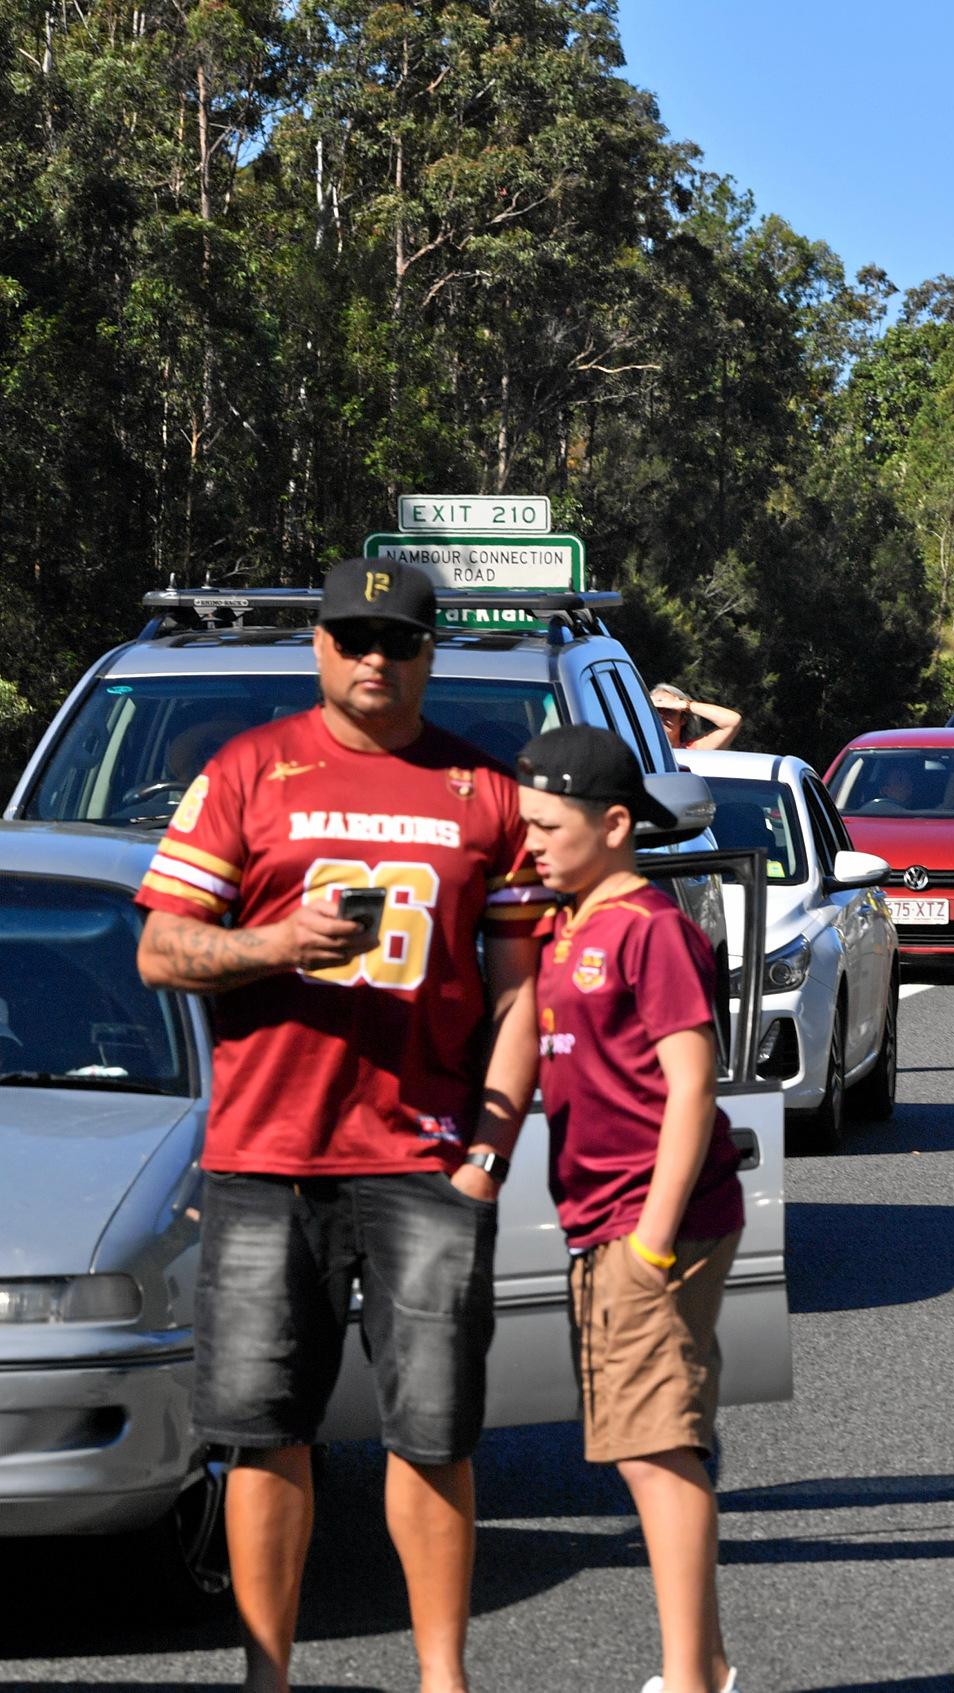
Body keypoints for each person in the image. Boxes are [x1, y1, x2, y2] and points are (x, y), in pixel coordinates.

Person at [132, 557, 550, 1693]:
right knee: (267, 1429)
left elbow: (524, 995)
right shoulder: (247, 771)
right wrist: (273, 944)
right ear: (318, 643)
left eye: (401, 640)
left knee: (433, 1432)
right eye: (355, 636)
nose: (377, 657)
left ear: (430, 653)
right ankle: (269, 1676)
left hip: (424, 1160)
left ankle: (441, 1677)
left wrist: (490, 1150)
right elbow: (161, 947)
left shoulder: (486, 788)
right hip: (265, 1156)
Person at [514, 725, 748, 1693]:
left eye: (545, 825)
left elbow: (692, 1087)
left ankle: (690, 1681)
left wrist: (650, 1245)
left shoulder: (651, 928)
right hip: (599, 1221)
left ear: (614, 823)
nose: (528, 843)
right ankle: (707, 1665)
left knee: (656, 1450)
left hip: (651, 1224)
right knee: (647, 1444)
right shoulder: (568, 922)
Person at [650, 683, 742, 753]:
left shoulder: (693, 751)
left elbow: (732, 721)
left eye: (669, 710)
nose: (660, 715)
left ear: (683, 719)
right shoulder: (639, 749)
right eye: (655, 710)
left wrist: (685, 705)